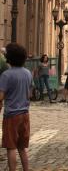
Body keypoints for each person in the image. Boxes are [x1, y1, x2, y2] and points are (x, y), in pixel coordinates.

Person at [0, 43, 32, 171]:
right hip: (25, 114)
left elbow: (0, 96)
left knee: (11, 147)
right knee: (22, 147)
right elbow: (29, 93)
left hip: (11, 115)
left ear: (9, 58)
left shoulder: (6, 75)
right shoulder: (28, 73)